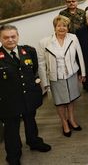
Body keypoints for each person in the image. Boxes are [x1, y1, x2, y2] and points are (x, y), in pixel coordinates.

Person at [0, 25, 51, 165]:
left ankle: (34, 142)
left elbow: (33, 70)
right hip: (9, 100)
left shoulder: (28, 51)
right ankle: (13, 154)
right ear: (1, 38)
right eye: (6, 37)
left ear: (17, 36)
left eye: (13, 36)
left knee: (31, 121)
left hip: (28, 96)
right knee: (11, 129)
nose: (10, 40)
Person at [38, 15, 86, 137]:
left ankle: (71, 119)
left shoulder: (73, 38)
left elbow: (79, 56)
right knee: (60, 102)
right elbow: (41, 64)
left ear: (68, 27)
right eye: (59, 25)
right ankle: (64, 123)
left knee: (71, 98)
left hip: (71, 74)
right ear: (55, 27)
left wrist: (83, 73)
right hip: (56, 77)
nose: (62, 28)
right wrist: (45, 83)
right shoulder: (44, 42)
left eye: (64, 25)